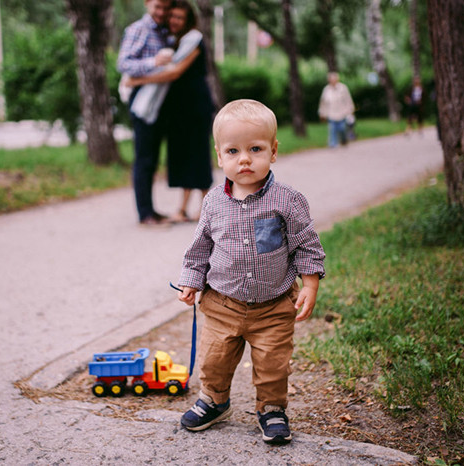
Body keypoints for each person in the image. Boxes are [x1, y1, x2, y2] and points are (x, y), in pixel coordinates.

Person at [175, 99, 326, 445]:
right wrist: (190, 281)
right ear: (219, 156)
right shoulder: (213, 202)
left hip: (273, 306)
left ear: (273, 152)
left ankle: (271, 408)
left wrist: (311, 284)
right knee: (214, 359)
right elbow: (200, 247)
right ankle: (214, 400)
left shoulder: (287, 201)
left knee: (273, 365)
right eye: (233, 151)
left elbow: (306, 244)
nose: (244, 159)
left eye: (255, 149)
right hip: (222, 304)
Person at [124, 0, 214, 223]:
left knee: (197, 156)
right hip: (176, 108)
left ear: (188, 20)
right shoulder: (170, 37)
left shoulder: (193, 39)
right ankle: (179, 209)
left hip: (194, 106)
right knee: (182, 157)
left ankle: (206, 210)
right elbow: (125, 63)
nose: (171, 19)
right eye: (170, 15)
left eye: (178, 17)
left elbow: (174, 73)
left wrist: (137, 80)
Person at [117, 0, 173, 226]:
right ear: (147, 3)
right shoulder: (137, 30)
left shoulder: (165, 31)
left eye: (165, 8)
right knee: (144, 157)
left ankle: (151, 210)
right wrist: (154, 62)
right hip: (141, 96)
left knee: (153, 158)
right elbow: (123, 64)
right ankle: (145, 214)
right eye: (157, 7)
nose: (161, 12)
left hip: (158, 99)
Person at [318, 72, 355, 148]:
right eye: (331, 79)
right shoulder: (326, 89)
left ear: (337, 79)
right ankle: (333, 144)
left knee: (342, 128)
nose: (333, 81)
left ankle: (343, 140)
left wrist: (351, 109)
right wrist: (321, 113)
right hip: (331, 113)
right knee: (332, 129)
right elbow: (323, 102)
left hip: (342, 113)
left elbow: (348, 99)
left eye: (334, 79)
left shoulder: (343, 88)